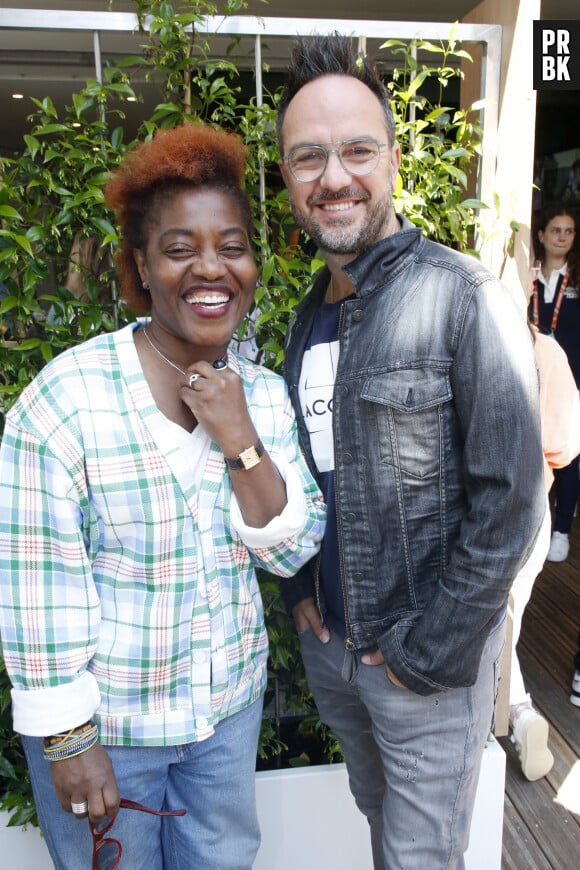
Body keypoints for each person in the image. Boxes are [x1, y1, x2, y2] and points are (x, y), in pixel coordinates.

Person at [0, 123, 326, 870]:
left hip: (225, 717)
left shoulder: (264, 396)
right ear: (141, 266)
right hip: (109, 732)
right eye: (179, 249)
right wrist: (69, 742)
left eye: (232, 246)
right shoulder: (67, 401)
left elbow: (290, 551)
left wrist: (239, 437)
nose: (211, 268)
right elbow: (35, 588)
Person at [276, 34, 546, 869]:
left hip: (423, 669)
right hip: (338, 659)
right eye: (308, 157)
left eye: (356, 150)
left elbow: (512, 502)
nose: (334, 177)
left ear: (392, 158)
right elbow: (306, 471)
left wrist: (426, 654)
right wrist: (297, 590)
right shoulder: (306, 315)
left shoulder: (463, 298)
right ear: (287, 177)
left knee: (419, 858)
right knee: (378, 830)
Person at [507, 278, 580, 779]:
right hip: (533, 504)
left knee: (491, 631)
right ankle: (520, 713)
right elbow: (563, 447)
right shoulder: (546, 350)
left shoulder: (456, 338)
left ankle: (518, 713)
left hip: (470, 510)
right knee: (503, 624)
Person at [530, 204, 580, 562]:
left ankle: (561, 529)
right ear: (542, 235)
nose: (562, 237)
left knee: (567, 456)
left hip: (571, 381)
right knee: (534, 452)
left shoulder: (577, 281)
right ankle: (536, 523)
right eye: (556, 230)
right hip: (533, 378)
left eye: (569, 231)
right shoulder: (526, 277)